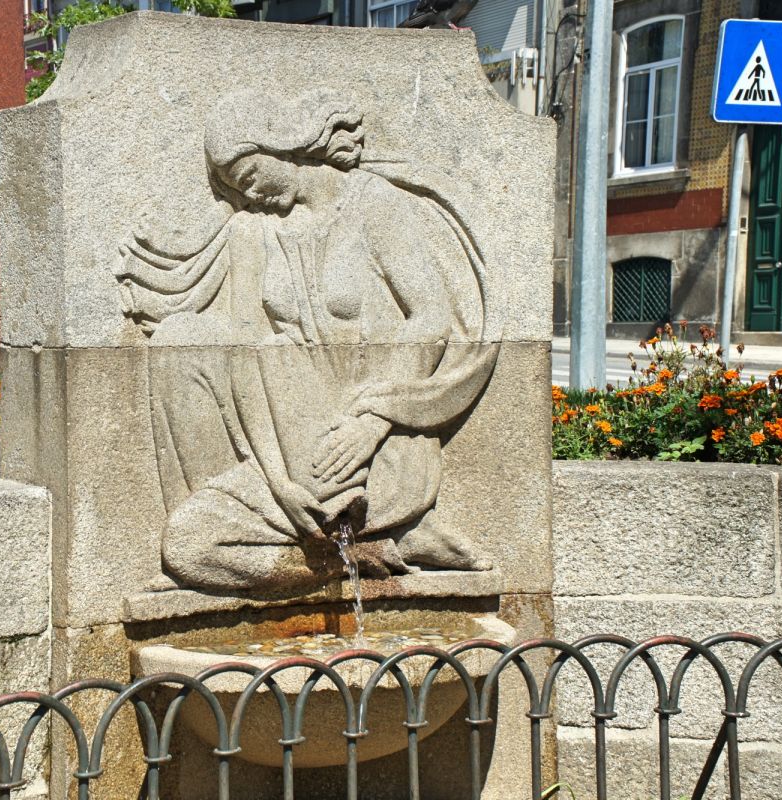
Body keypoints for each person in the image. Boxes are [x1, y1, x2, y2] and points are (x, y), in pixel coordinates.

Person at [114, 89, 498, 593]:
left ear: (282, 145)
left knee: (194, 547)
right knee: (181, 341)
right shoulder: (257, 231)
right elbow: (244, 358)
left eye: (249, 176)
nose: (249, 193)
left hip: (363, 439)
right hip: (289, 440)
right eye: (237, 187)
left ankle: (387, 529)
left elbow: (429, 317)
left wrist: (374, 420)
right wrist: (276, 479)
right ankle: (372, 552)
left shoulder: (376, 205)